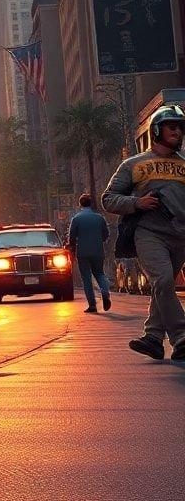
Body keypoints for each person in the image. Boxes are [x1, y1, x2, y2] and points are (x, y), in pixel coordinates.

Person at [102, 104, 185, 362]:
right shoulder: (133, 165)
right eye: (172, 126)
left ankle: (152, 338)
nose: (177, 131)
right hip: (149, 233)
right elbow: (108, 199)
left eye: (181, 127)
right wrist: (136, 203)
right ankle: (182, 336)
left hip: (180, 236)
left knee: (163, 288)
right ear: (157, 130)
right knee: (163, 281)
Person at [67, 193, 111, 313]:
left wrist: (72, 248)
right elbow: (106, 234)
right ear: (91, 203)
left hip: (83, 252)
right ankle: (105, 292)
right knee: (99, 273)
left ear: (80, 204)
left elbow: (71, 237)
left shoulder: (76, 219)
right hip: (98, 250)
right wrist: (98, 240)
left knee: (86, 278)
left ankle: (92, 305)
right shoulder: (99, 218)